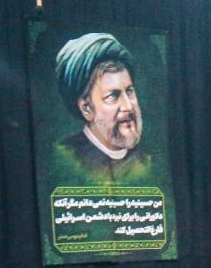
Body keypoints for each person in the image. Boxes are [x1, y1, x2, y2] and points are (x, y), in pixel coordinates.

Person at [52, 32, 151, 182]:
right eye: (113, 96)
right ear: (87, 108)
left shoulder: (147, 162)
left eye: (129, 91)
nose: (128, 106)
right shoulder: (64, 158)